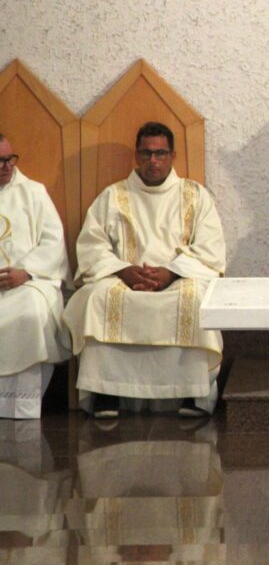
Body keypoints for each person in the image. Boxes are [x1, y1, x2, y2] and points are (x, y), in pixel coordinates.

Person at [63, 122, 226, 419]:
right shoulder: (113, 196)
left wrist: (171, 273)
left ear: (173, 155)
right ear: (137, 156)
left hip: (179, 278)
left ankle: (192, 393)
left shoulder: (195, 195)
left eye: (160, 153)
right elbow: (92, 245)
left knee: (194, 299)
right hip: (126, 278)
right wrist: (124, 270)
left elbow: (210, 250)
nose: (154, 161)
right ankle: (105, 392)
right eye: (147, 153)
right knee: (98, 296)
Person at [0, 134, 71, 419]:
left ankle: (21, 407)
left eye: (9, 159)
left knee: (31, 310)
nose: (6, 167)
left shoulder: (34, 192)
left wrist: (26, 271)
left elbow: (53, 241)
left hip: (27, 283)